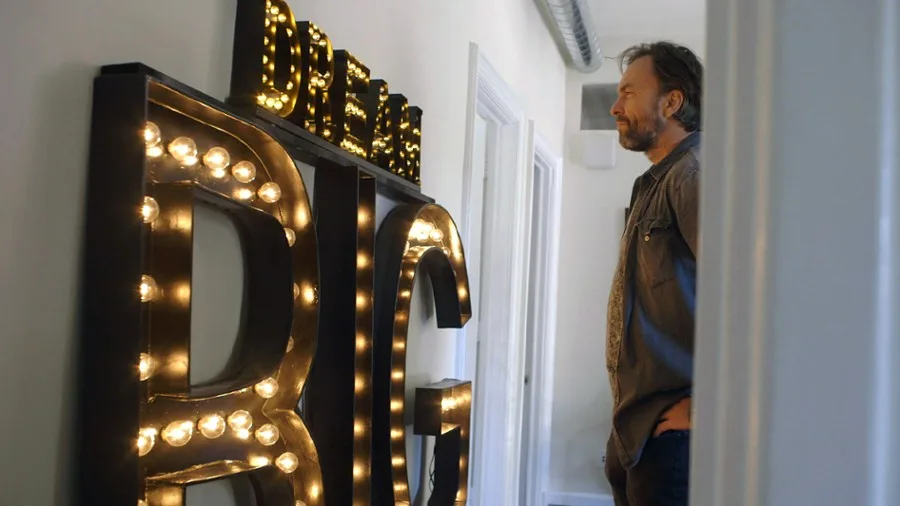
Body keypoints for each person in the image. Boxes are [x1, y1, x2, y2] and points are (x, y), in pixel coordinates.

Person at [604, 41, 703, 506]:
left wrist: (706, 406)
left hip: (673, 436)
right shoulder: (654, 182)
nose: (615, 107)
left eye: (628, 92)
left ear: (671, 101)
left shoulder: (693, 176)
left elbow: (747, 300)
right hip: (637, 426)